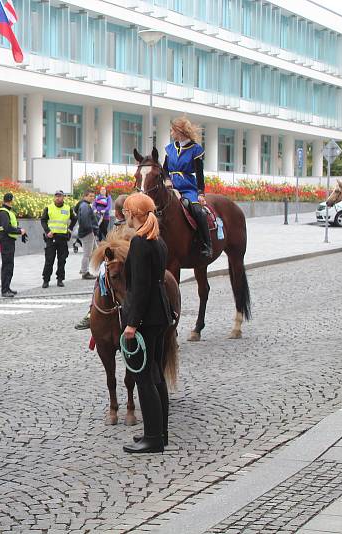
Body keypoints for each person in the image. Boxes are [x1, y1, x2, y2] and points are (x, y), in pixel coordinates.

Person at [121, 193, 171, 454]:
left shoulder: (141, 242)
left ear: (134, 213)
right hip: (160, 314)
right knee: (156, 374)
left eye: (126, 212)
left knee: (143, 377)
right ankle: (160, 432)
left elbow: (140, 288)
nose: (124, 216)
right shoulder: (158, 240)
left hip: (146, 317)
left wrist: (132, 323)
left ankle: (152, 438)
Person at [74, 193, 131, 331]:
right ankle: (94, 309)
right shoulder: (120, 226)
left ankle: (92, 310)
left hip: (127, 265)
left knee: (102, 279)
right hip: (118, 263)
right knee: (102, 277)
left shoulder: (128, 228)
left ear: (117, 213)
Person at [163, 117, 211, 258]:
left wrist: (200, 193)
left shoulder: (196, 149)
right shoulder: (170, 148)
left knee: (197, 210)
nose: (171, 133)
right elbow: (164, 169)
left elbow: (200, 174)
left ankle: (206, 244)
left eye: (172, 130)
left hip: (188, 187)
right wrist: (166, 179)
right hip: (170, 186)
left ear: (179, 131)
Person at [40, 190, 76, 288]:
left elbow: (74, 219)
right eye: (56, 196)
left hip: (63, 238)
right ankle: (46, 280)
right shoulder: (49, 208)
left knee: (62, 260)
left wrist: (70, 229)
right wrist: (47, 231)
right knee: (49, 260)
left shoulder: (68, 208)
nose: (57, 198)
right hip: (51, 238)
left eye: (60, 196)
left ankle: (60, 279)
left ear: (63, 197)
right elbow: (43, 220)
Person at [0, 192, 26, 298]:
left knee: (9, 265)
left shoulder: (7, 212)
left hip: (8, 240)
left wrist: (20, 231)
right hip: (6, 240)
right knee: (7, 265)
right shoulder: (3, 212)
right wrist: (19, 231)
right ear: (11, 201)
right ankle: (4, 290)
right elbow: (7, 228)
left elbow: (11, 226)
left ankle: (7, 287)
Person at [77, 190, 98, 280]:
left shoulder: (84, 205)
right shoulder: (85, 206)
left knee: (96, 251)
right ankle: (84, 272)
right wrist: (90, 229)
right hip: (87, 233)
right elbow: (85, 220)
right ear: (85, 196)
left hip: (89, 232)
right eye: (90, 196)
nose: (92, 198)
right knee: (87, 254)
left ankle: (99, 269)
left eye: (93, 196)